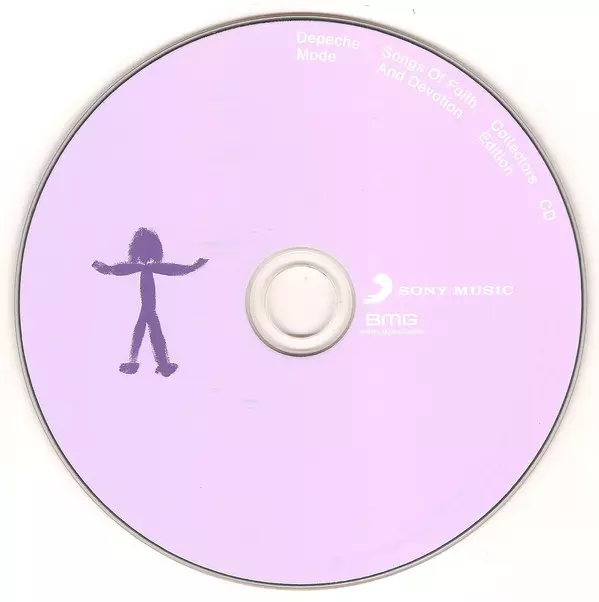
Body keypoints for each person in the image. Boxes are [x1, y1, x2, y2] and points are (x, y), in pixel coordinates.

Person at [93, 227, 208, 377]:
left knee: (146, 326)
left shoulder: (140, 267)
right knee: (152, 327)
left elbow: (117, 269)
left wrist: (105, 268)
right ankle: (159, 364)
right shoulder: (150, 267)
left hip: (148, 307)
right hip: (149, 307)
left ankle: (140, 362)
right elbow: (177, 269)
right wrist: (195, 266)